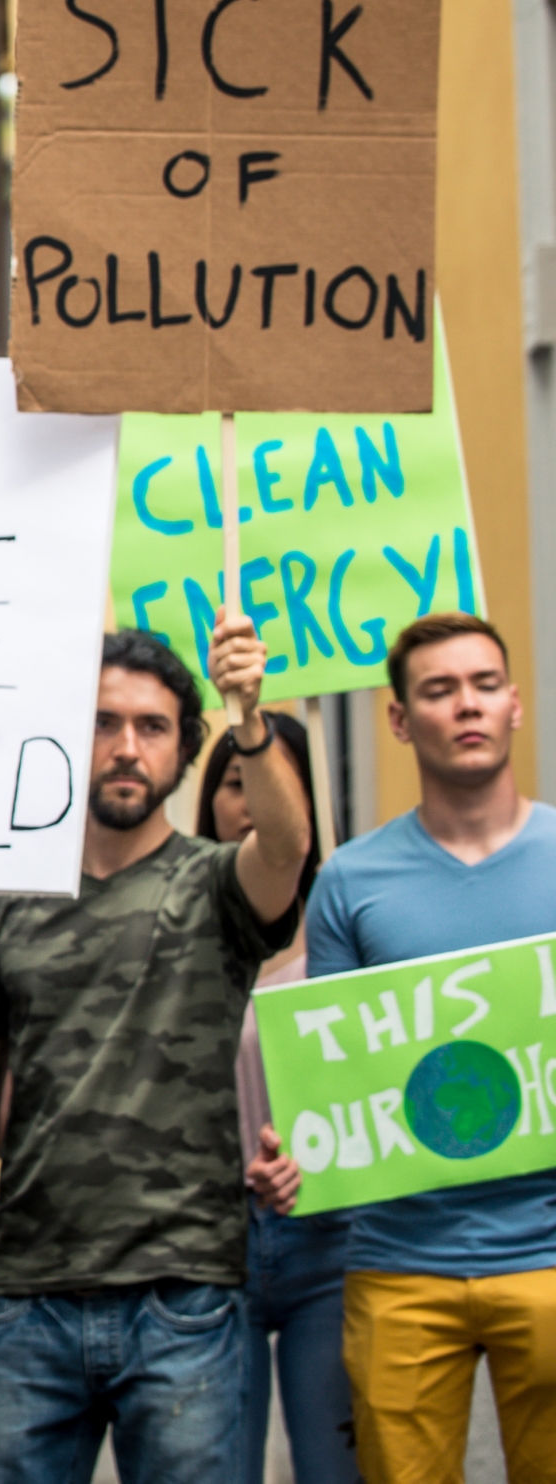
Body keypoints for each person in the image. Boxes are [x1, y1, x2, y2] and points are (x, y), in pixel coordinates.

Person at [0, 623, 312, 1484]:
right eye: (103, 723)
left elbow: (286, 848)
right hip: (27, 1301)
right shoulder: (8, 907)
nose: (127, 747)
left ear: (182, 749)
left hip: (188, 1299)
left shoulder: (217, 884)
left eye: (153, 726)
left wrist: (250, 713)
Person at [301, 613, 556, 1480]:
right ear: (401, 720)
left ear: (515, 704)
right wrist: (297, 1148)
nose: (467, 705)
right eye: (440, 691)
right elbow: (329, 1079)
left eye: (484, 685)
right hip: (398, 1262)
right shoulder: (350, 882)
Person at [195, 712, 355, 1484]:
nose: (255, 800)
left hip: (332, 1241)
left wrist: (317, 1154)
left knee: (338, 1466)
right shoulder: (172, 926)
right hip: (204, 1250)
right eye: (236, 783)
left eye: (276, 782)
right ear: (210, 802)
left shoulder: (344, 925)